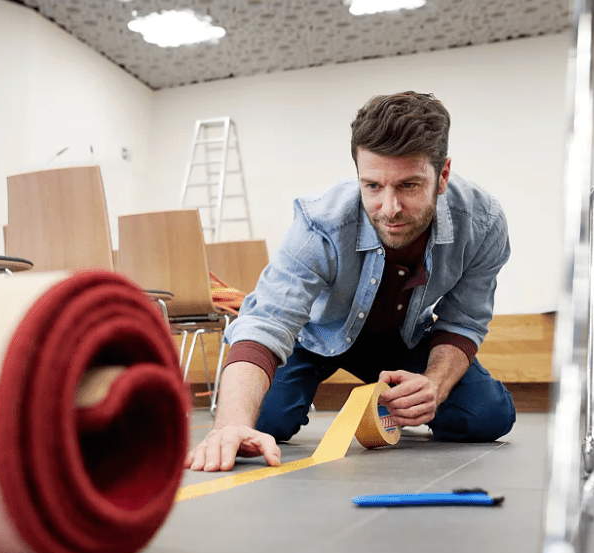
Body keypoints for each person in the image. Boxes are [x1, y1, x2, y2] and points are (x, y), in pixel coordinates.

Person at [185, 91, 515, 473]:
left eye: (408, 186)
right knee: (260, 421)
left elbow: (464, 321)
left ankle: (396, 399)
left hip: (404, 338)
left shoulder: (482, 223)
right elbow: (266, 322)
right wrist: (229, 426)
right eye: (372, 186)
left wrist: (434, 385)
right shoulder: (319, 225)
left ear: (442, 176)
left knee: (487, 416)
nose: (389, 209)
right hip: (316, 336)